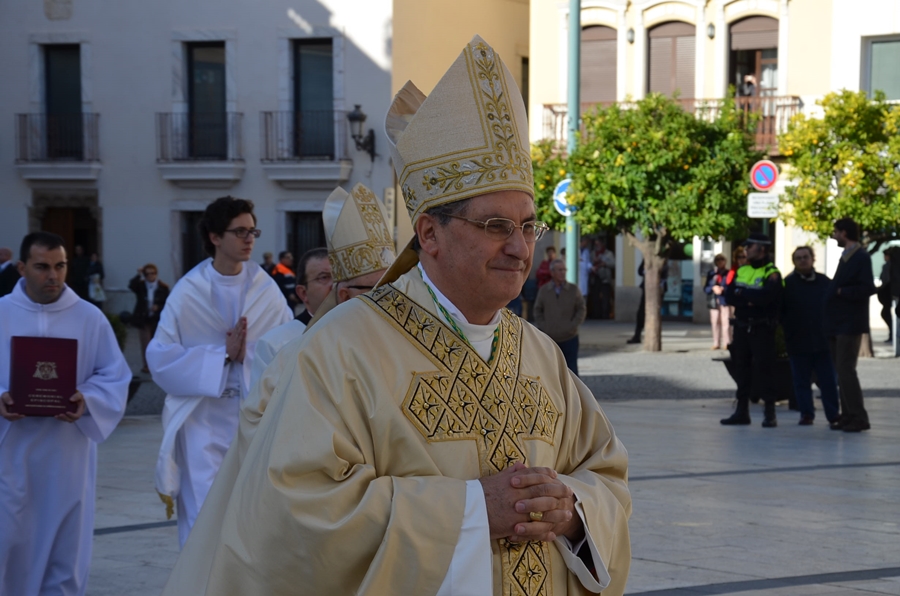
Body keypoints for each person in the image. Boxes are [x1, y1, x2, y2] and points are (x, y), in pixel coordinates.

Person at [161, 35, 631, 596]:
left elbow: (603, 471)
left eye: (529, 225)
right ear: (429, 233)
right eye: (495, 226)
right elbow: (295, 512)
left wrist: (574, 509)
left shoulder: (540, 354)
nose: (520, 248)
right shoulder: (342, 349)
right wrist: (472, 509)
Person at [147, 196, 292, 547]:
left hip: (252, 419)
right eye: (239, 231)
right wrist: (221, 356)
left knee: (249, 518)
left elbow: (288, 346)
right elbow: (160, 357)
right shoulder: (188, 292)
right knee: (203, 518)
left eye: (252, 230)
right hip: (202, 423)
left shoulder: (265, 290)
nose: (249, 239)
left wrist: (249, 354)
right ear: (214, 237)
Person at [0, 232, 130, 596]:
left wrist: (86, 400)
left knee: (65, 546)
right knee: (9, 536)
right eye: (42, 267)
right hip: (11, 453)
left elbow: (114, 376)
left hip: (67, 454)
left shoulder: (89, 318)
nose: (53, 276)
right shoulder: (1, 315)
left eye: (60, 266)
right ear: (22, 268)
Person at [250, 182, 394, 390]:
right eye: (323, 277)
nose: (386, 300)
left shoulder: (389, 339)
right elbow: (260, 416)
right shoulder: (278, 345)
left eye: (388, 289)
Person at [721, 233, 783, 427]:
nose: (746, 250)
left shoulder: (771, 272)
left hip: (761, 328)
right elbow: (729, 296)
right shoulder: (742, 270)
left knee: (765, 369)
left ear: (762, 249)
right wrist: (750, 297)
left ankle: (770, 413)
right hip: (741, 327)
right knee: (741, 370)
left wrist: (745, 295)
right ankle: (741, 411)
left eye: (751, 246)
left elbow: (768, 298)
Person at [825, 218, 875, 432]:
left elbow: (867, 288)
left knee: (846, 370)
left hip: (850, 323)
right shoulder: (847, 257)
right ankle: (847, 414)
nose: (834, 236)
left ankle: (858, 416)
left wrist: (840, 292)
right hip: (839, 322)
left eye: (836, 232)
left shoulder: (860, 257)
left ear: (844, 233)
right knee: (841, 370)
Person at [781, 247, 840, 426]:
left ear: (813, 259)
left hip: (822, 341)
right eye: (798, 258)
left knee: (829, 381)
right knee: (801, 381)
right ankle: (806, 413)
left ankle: (833, 415)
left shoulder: (824, 282)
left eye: (805, 257)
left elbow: (834, 307)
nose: (803, 261)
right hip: (798, 341)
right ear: (794, 262)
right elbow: (781, 312)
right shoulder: (788, 284)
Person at [534, 259, 587, 375]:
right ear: (552, 272)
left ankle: (572, 393)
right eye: (560, 270)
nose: (563, 272)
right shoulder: (544, 291)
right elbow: (537, 310)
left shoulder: (573, 290)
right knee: (550, 372)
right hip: (550, 338)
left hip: (569, 337)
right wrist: (544, 327)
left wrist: (573, 325)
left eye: (564, 270)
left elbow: (581, 308)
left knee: (571, 372)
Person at [129, 263, 171, 373]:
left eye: (152, 273)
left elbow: (168, 304)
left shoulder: (163, 287)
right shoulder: (141, 286)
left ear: (156, 274)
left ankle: (157, 364)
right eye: (147, 274)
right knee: (146, 343)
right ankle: (147, 365)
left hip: (157, 319)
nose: (150, 276)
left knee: (157, 343)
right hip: (143, 318)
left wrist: (158, 307)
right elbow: (131, 286)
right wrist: (138, 275)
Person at [704, 254, 730, 350]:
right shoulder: (711, 274)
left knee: (726, 322)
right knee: (715, 322)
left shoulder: (729, 273)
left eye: (722, 259)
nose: (720, 261)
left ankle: (727, 342)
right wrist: (713, 288)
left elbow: (732, 286)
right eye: (718, 260)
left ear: (725, 261)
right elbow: (705, 288)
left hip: (724, 300)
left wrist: (723, 289)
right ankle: (716, 343)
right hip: (714, 301)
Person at [591, 239, 615, 319]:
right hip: (595, 277)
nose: (597, 246)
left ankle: (605, 315)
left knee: (606, 297)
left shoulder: (608, 253)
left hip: (605, 278)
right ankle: (597, 314)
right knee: (595, 297)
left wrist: (605, 264)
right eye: (595, 244)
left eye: (598, 244)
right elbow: (588, 263)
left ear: (602, 244)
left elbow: (613, 264)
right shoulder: (593, 253)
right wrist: (594, 262)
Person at [877, 249, 892, 342]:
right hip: (888, 293)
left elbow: (886, 280)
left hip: (888, 294)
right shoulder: (889, 266)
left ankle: (893, 334)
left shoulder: (888, 266)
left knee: (886, 313)